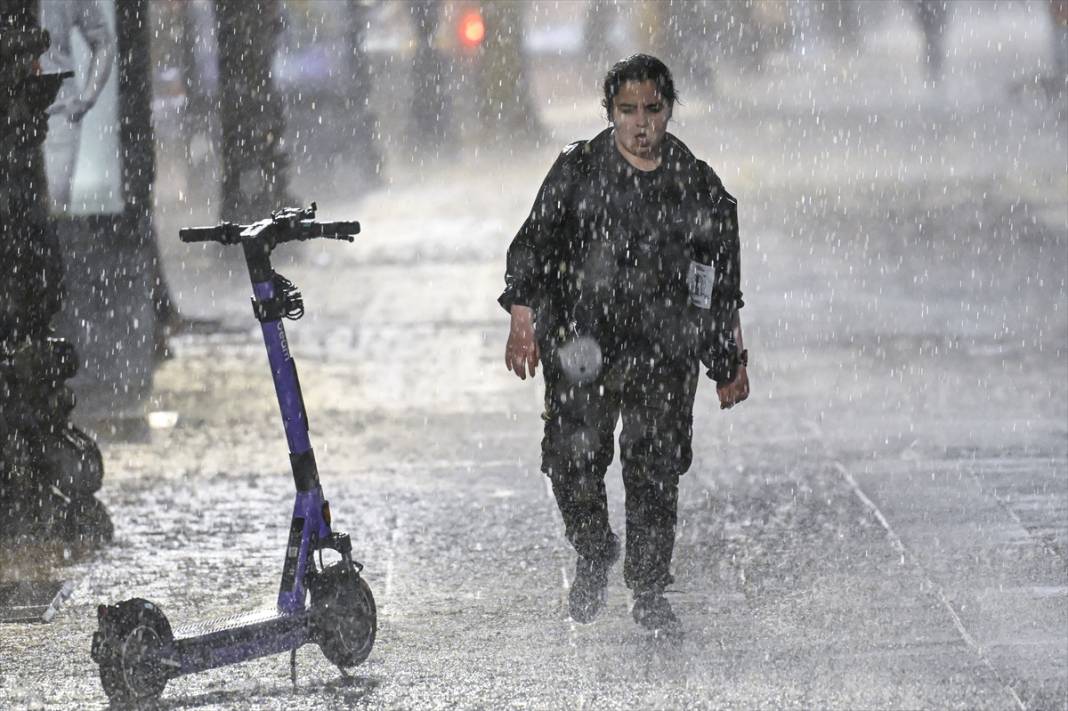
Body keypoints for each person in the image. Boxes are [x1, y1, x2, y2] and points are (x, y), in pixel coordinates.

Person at [499, 54, 749, 635]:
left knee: (655, 470)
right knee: (572, 462)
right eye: (628, 110)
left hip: (664, 351)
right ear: (609, 113)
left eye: (653, 109)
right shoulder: (578, 172)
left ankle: (648, 588)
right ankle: (593, 549)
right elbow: (532, 243)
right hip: (581, 345)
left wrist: (727, 360)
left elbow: (717, 280)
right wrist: (522, 314)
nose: (641, 123)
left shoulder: (697, 185)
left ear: (668, 110)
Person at [39, 0, 115, 212]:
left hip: (56, 114)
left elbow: (103, 42)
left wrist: (87, 98)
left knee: (52, 212)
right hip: (23, 112)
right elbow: (103, 42)